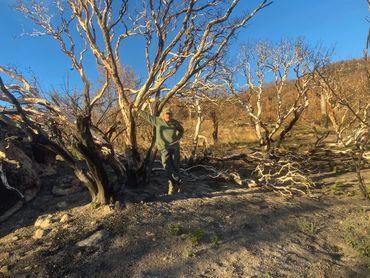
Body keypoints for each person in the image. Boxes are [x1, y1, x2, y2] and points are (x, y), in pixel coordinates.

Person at [137, 106, 184, 195]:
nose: (168, 115)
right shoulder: (158, 121)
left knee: (175, 166)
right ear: (163, 114)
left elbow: (181, 130)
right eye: (166, 114)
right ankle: (177, 181)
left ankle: (174, 185)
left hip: (174, 147)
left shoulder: (175, 122)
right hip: (163, 148)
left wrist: (178, 138)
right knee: (166, 166)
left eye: (169, 114)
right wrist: (137, 110)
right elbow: (148, 117)